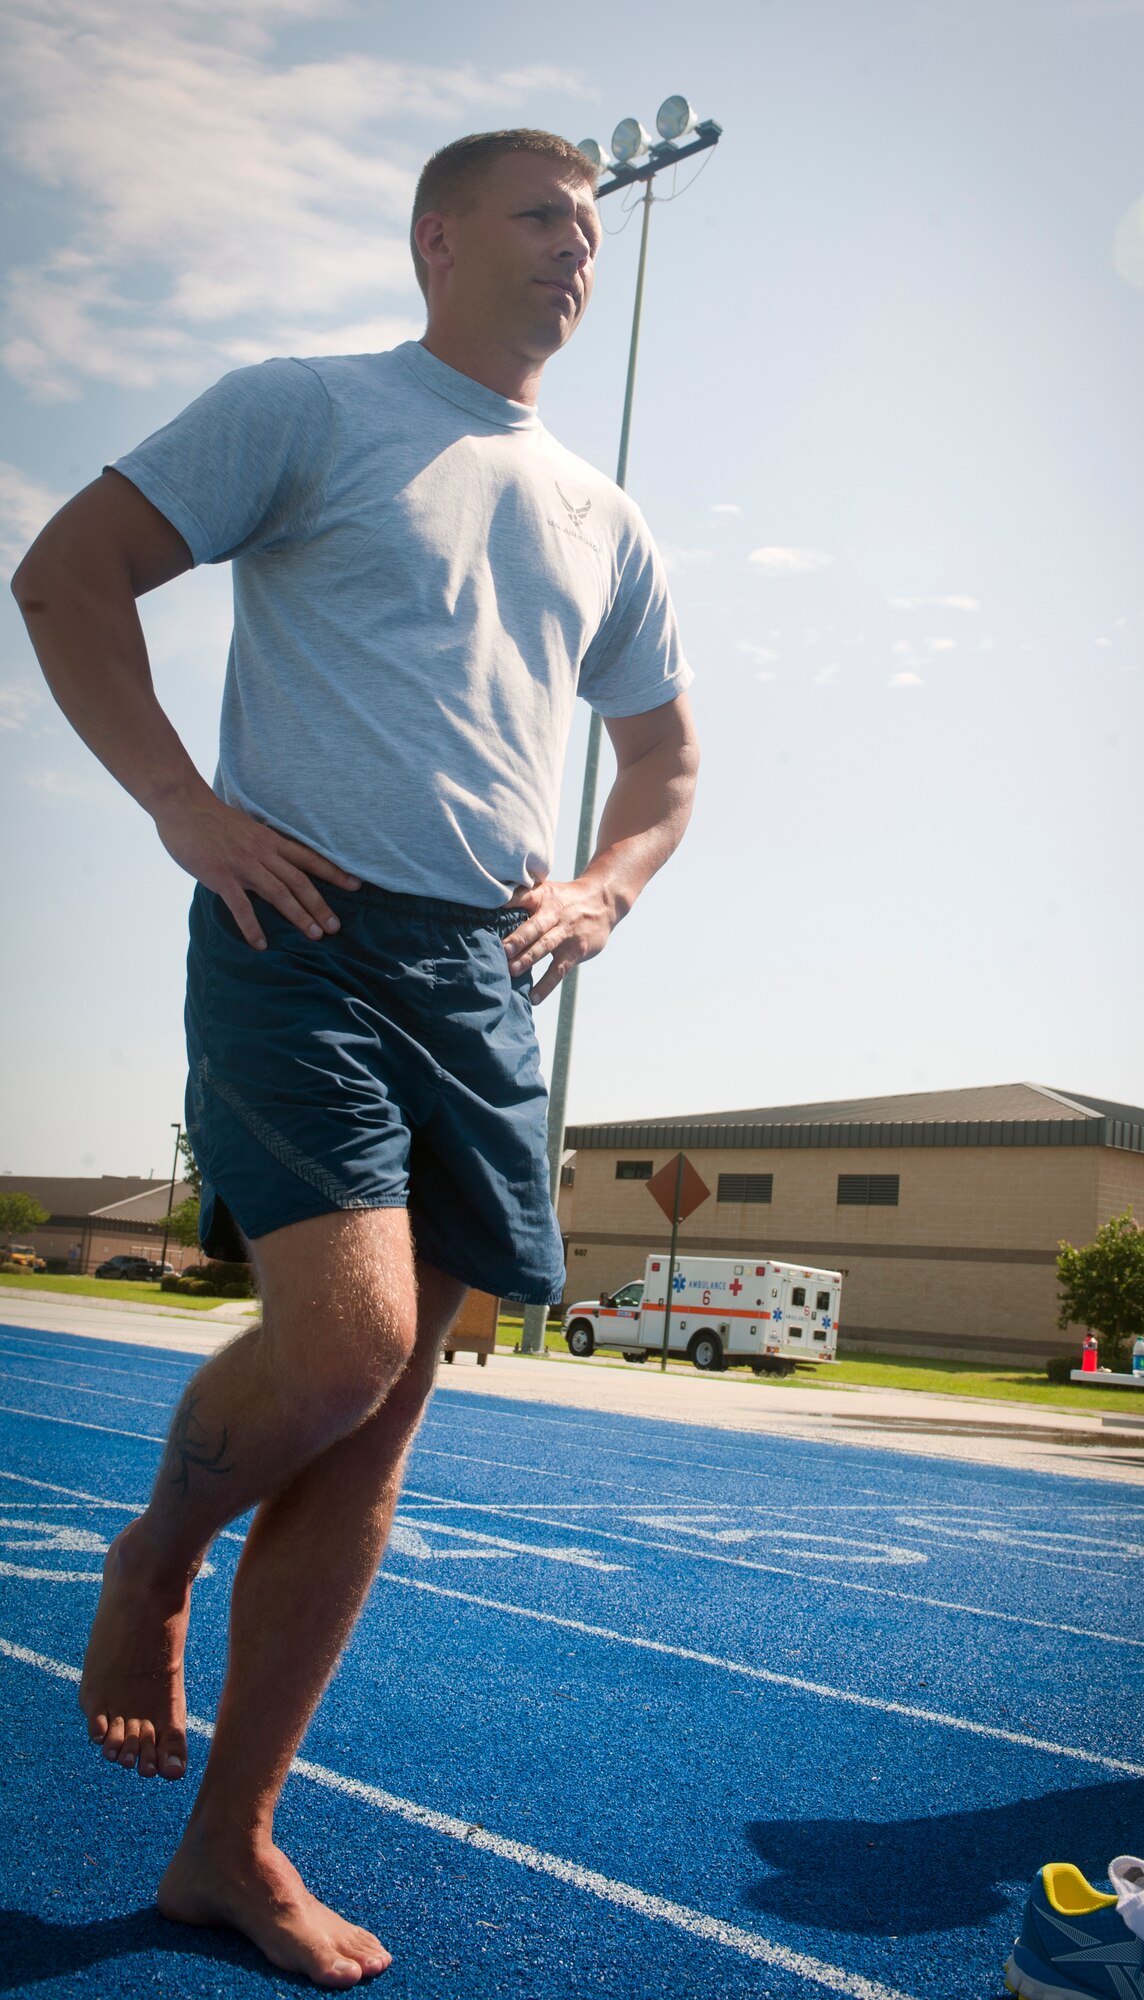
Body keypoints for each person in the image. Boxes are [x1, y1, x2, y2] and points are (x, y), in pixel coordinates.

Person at [12, 128, 698, 1988]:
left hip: (481, 975)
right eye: (546, 214)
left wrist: (607, 896)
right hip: (296, 928)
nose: (579, 247)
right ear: (440, 237)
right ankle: (152, 1554)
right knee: (350, 1339)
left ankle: (226, 1846)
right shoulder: (305, 405)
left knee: (377, 1440)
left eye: (593, 225)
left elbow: (665, 770)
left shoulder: (603, 513)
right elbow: (67, 577)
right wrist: (183, 808)